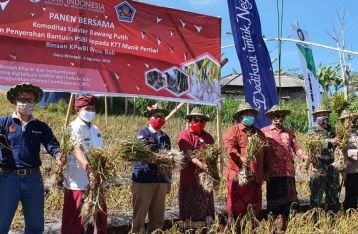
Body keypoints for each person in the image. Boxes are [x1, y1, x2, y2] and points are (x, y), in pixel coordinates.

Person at [0, 83, 62, 234]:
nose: (26, 103)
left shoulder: (41, 127)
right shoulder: (4, 123)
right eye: (22, 99)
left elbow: (52, 145)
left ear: (35, 103)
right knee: (1, 222)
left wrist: (59, 155)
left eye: (30, 100)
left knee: (35, 226)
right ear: (15, 101)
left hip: (33, 179)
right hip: (8, 178)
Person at [61, 95, 107, 234]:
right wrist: (89, 170)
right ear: (78, 110)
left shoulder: (96, 129)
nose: (91, 111)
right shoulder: (72, 128)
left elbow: (101, 153)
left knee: (96, 223)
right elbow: (77, 150)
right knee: (75, 223)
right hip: (78, 184)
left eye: (93, 108)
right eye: (87, 108)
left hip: (96, 184)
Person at [261, 105, 306, 230]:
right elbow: (261, 153)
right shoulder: (264, 132)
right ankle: (273, 229)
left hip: (288, 173)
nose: (279, 119)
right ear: (271, 117)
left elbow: (296, 148)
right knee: (274, 205)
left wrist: (304, 157)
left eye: (281, 116)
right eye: (276, 116)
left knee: (290, 204)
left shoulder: (289, 133)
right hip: (273, 174)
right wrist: (263, 170)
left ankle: (289, 228)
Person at [223, 102, 268, 222]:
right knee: (236, 207)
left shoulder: (259, 134)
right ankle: (235, 228)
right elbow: (230, 148)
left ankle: (251, 227)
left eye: (251, 114)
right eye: (247, 114)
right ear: (240, 117)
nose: (250, 116)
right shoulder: (233, 131)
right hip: (239, 176)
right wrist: (240, 158)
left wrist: (265, 171)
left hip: (255, 176)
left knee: (253, 206)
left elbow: (265, 154)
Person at [131, 103, 171, 233]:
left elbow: (170, 161)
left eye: (162, 116)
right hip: (144, 180)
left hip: (160, 181)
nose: (159, 119)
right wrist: (161, 158)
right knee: (139, 218)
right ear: (149, 118)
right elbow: (146, 155)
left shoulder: (165, 138)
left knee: (158, 218)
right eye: (156, 116)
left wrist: (168, 181)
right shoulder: (142, 134)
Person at [177, 107, 215, 227]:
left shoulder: (208, 137)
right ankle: (189, 228)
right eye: (195, 120)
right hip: (190, 179)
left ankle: (205, 227)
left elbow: (213, 156)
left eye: (202, 120)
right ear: (189, 122)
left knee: (205, 206)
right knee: (190, 208)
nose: (199, 123)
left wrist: (214, 173)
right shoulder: (184, 136)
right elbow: (189, 154)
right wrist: (201, 164)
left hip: (205, 179)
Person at [306, 106, 341, 211]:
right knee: (317, 195)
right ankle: (315, 219)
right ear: (316, 117)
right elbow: (311, 144)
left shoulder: (333, 130)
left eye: (325, 114)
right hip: (319, 167)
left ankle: (333, 218)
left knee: (333, 193)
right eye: (320, 115)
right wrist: (329, 141)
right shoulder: (312, 131)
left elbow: (339, 146)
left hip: (332, 166)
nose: (323, 117)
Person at [339, 110, 358, 210]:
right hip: (349, 170)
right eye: (348, 120)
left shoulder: (356, 133)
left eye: (352, 119)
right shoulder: (341, 135)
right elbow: (341, 151)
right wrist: (354, 153)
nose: (351, 122)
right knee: (351, 197)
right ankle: (349, 216)